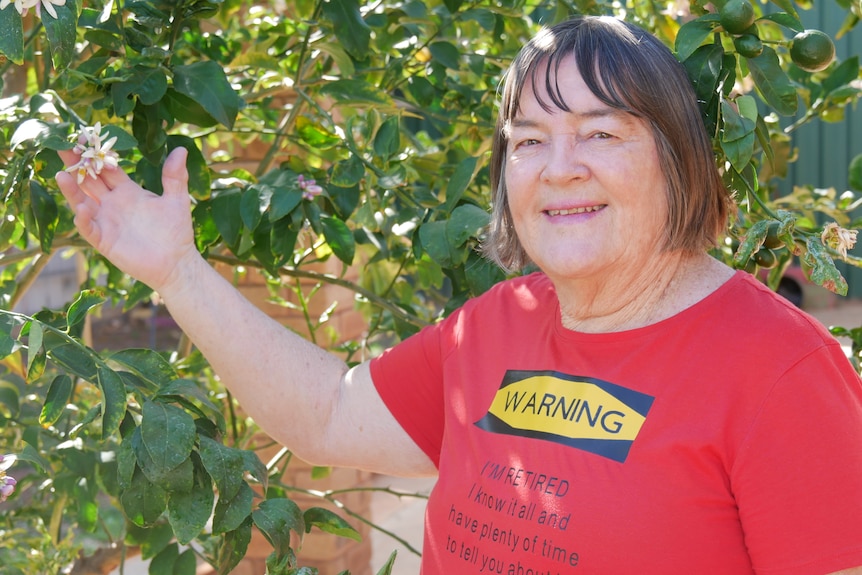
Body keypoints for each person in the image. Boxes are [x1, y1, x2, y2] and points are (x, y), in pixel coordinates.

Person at [55, 15, 862, 575]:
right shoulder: (496, 325)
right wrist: (178, 273)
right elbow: (326, 415)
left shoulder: (779, 373)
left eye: (602, 132)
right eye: (529, 140)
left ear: (678, 157)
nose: (559, 166)